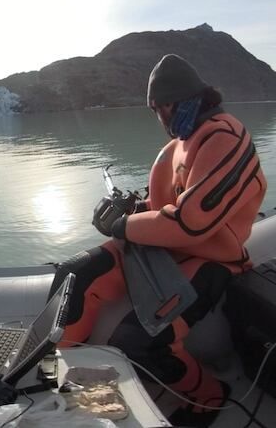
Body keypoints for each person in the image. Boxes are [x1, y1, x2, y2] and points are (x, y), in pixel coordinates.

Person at [52, 54, 266, 427]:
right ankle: (65, 382)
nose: (162, 117)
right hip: (161, 247)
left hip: (213, 258)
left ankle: (209, 396)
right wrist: (134, 208)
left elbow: (191, 222)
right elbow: (163, 206)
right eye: (155, 109)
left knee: (140, 340)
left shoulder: (225, 136)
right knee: (73, 276)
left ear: (191, 98)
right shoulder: (175, 147)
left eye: (166, 106)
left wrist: (123, 226)